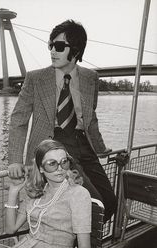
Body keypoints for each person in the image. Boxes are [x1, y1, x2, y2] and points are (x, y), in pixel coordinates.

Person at [8, 19, 117, 221]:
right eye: (51, 45)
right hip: (54, 146)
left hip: (83, 144)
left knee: (110, 203)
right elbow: (18, 120)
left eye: (59, 46)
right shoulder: (35, 78)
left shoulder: (90, 78)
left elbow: (91, 118)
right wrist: (15, 159)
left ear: (75, 51)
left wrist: (101, 148)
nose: (52, 51)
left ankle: (80, 245)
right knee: (92, 203)